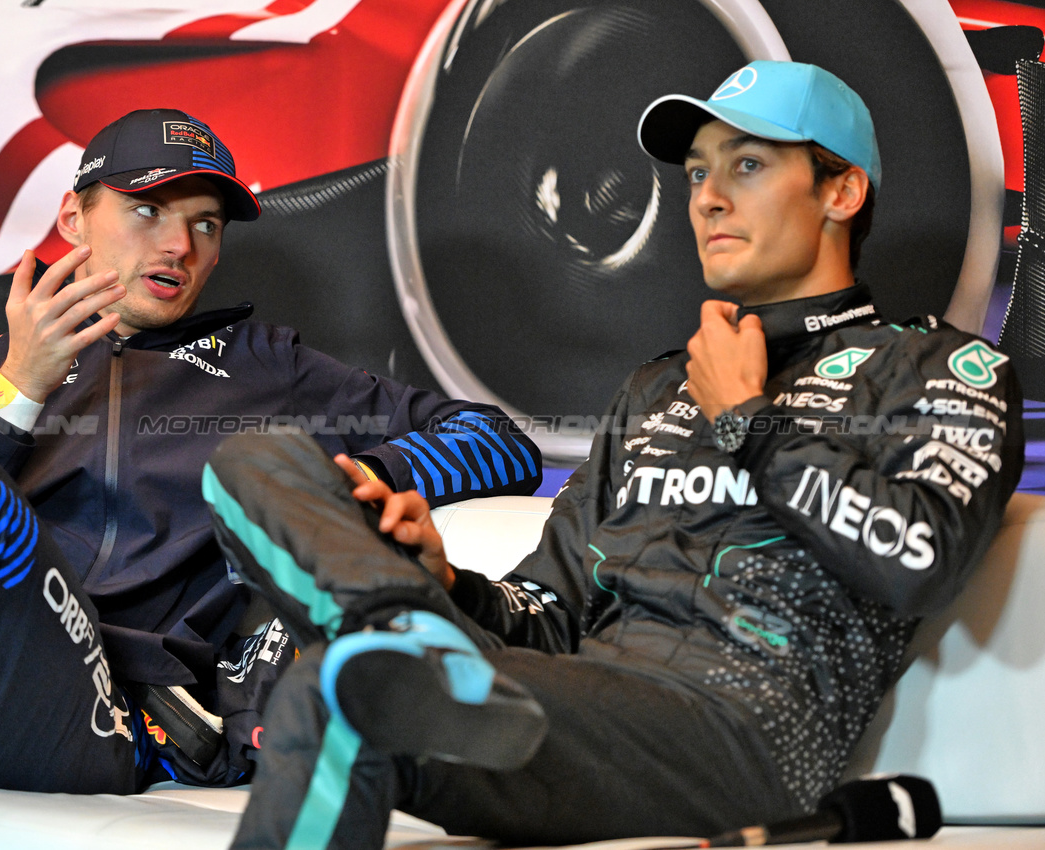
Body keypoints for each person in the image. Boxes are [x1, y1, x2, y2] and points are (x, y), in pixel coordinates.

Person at [201, 61, 1025, 848]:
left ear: (840, 190)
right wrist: (445, 581)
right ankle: (395, 620)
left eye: (745, 164)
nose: (706, 198)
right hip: (570, 708)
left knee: (335, 683)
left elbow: (920, 558)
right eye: (698, 173)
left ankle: (395, 651)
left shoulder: (940, 366)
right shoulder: (654, 388)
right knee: (256, 458)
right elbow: (549, 615)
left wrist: (746, 418)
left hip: (741, 734)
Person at [0, 109, 542, 794]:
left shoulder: (270, 368)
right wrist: (19, 391)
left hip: (93, 710)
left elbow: (495, 440)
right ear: (74, 216)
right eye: (146, 210)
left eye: (206, 224)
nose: (179, 244)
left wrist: (348, 482)